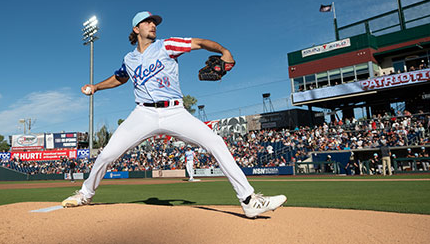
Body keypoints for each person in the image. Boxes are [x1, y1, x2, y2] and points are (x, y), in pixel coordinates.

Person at [61, 11, 286, 218]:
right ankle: (84, 194)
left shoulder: (167, 45)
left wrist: (224, 51)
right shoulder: (129, 59)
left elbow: (199, 42)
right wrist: (97, 87)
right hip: (143, 113)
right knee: (107, 154)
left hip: (175, 111)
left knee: (215, 142)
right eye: (147, 22)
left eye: (154, 22)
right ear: (136, 29)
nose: (153, 25)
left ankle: (248, 200)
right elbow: (120, 77)